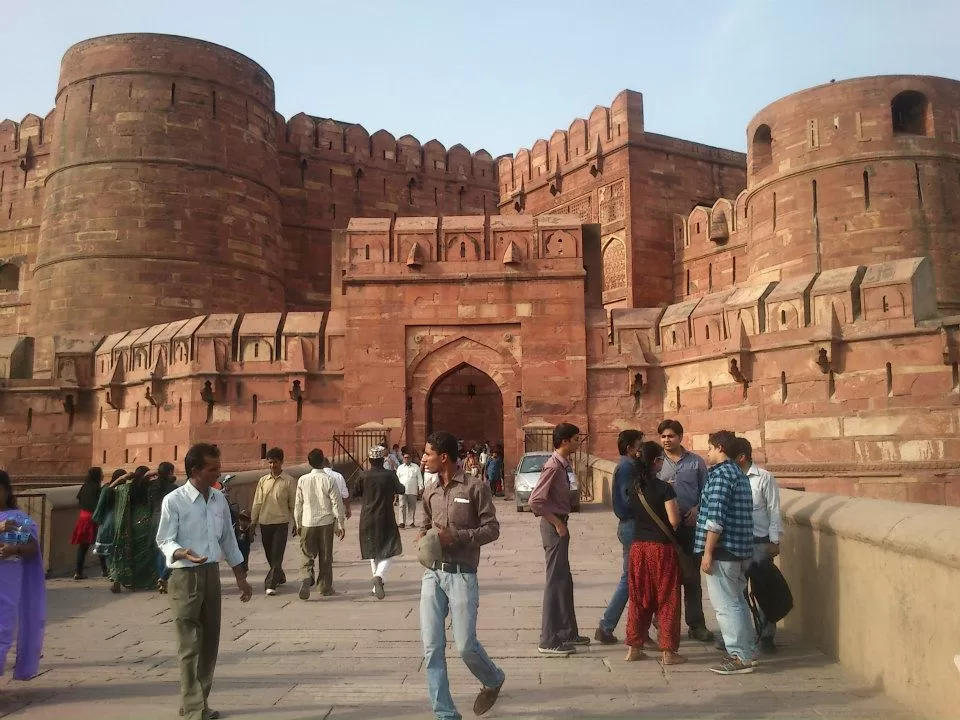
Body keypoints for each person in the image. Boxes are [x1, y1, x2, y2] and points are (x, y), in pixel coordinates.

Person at [156, 443, 252, 720]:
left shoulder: (218, 499)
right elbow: (164, 539)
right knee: (189, 645)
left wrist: (240, 576)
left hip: (211, 574)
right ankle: (194, 708)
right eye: (213, 469)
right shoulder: (174, 501)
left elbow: (228, 539)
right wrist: (180, 552)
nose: (218, 473)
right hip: (185, 576)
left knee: (210, 642)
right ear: (195, 471)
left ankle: (197, 701)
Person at [419, 430, 504, 719]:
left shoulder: (474, 488)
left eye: (428, 453)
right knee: (432, 648)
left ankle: (493, 678)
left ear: (443, 457)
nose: (424, 459)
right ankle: (445, 713)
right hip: (433, 574)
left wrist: (456, 536)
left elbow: (492, 529)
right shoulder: (429, 490)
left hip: (462, 574)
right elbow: (426, 524)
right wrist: (424, 540)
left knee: (466, 645)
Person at [696, 430, 756, 675]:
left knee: (726, 606)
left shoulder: (721, 476)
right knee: (737, 602)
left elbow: (715, 519)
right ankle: (747, 651)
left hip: (724, 549)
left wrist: (707, 552)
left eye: (710, 448)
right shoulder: (738, 473)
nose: (708, 453)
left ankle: (739, 655)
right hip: (740, 548)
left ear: (720, 448)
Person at [529, 422, 590, 656]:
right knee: (555, 581)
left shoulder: (562, 465)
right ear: (564, 441)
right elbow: (536, 501)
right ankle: (548, 640)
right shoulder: (554, 467)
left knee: (564, 579)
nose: (577, 443)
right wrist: (556, 523)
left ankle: (567, 631)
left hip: (560, 523)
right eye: (575, 439)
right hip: (554, 526)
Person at [624, 441, 686, 666]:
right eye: (661, 459)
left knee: (639, 598)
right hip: (661, 549)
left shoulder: (632, 487)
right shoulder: (664, 488)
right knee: (667, 598)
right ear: (655, 462)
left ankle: (634, 647)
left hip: (638, 547)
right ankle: (668, 651)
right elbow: (674, 520)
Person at [656, 419, 714, 643]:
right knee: (665, 578)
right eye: (663, 436)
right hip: (665, 528)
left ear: (680, 437)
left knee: (691, 577)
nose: (666, 440)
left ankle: (696, 624)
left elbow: (706, 491)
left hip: (690, 527)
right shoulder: (656, 462)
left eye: (671, 436)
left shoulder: (695, 462)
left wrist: (697, 509)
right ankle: (664, 624)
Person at [731, 436, 782, 654]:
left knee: (764, 591)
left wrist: (775, 540)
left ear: (741, 457)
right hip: (737, 542)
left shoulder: (763, 477)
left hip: (760, 542)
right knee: (738, 593)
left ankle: (767, 635)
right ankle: (742, 636)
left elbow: (773, 509)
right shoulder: (730, 478)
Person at [595, 429, 644, 645]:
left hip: (630, 525)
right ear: (630, 448)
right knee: (630, 578)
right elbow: (628, 499)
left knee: (635, 578)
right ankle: (606, 625)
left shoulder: (629, 465)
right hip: (632, 525)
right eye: (639, 446)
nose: (641, 450)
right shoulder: (627, 467)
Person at [0, 471, 46, 683]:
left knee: (2, 632)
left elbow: (32, 547)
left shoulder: (15, 519)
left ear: (7, 491)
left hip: (7, 586)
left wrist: (14, 549)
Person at [354, 446, 405, 599]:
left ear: (370, 460)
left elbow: (354, 492)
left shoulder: (363, 475)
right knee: (390, 549)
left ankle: (376, 586)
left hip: (367, 517)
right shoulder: (389, 475)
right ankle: (379, 576)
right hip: (385, 517)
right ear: (383, 460)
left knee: (372, 550)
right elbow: (401, 489)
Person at [295, 449, 346, 600]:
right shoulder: (329, 479)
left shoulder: (302, 480)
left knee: (306, 553)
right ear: (323, 461)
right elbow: (336, 503)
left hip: (308, 521)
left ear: (309, 462)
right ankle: (324, 587)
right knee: (325, 556)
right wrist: (340, 523)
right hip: (326, 522)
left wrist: (298, 523)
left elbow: (298, 503)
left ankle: (306, 576)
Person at [250, 447, 296, 596]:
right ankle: (279, 575)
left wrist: (297, 522)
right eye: (270, 462)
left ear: (281, 462)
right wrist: (253, 522)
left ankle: (270, 584)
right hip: (265, 522)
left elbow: (293, 503)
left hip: (281, 523)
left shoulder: (289, 481)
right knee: (270, 555)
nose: (272, 465)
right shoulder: (263, 481)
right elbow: (257, 502)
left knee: (277, 554)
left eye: (275, 462)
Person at [109, 466, 158, 593]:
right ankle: (143, 581)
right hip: (147, 523)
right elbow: (169, 479)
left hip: (130, 524)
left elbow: (108, 490)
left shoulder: (126, 489)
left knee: (127, 552)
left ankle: (120, 579)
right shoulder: (152, 487)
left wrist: (121, 478)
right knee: (145, 554)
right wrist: (154, 473)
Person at [72, 467, 108, 580]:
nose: (102, 475)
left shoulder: (85, 487)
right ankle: (105, 570)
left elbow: (79, 499)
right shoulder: (97, 488)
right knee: (100, 544)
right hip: (93, 518)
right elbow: (98, 504)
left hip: (83, 517)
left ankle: (78, 572)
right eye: (101, 473)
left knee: (83, 547)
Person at [150, 462, 178, 593]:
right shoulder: (173, 488)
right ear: (170, 472)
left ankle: (161, 577)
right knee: (172, 549)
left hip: (155, 518)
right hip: (169, 519)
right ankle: (163, 577)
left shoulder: (152, 487)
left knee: (159, 550)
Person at [92, 468, 126, 567]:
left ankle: (107, 570)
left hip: (106, 522)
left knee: (107, 551)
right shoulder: (115, 490)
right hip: (113, 522)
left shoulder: (109, 489)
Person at [396, 451, 424, 528]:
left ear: (411, 459)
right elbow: (397, 479)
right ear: (403, 459)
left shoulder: (416, 467)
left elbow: (419, 478)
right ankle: (402, 522)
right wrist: (396, 488)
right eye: (405, 457)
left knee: (412, 506)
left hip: (412, 489)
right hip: (402, 490)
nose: (406, 459)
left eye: (408, 458)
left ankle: (411, 522)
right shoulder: (400, 467)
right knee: (402, 506)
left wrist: (421, 487)